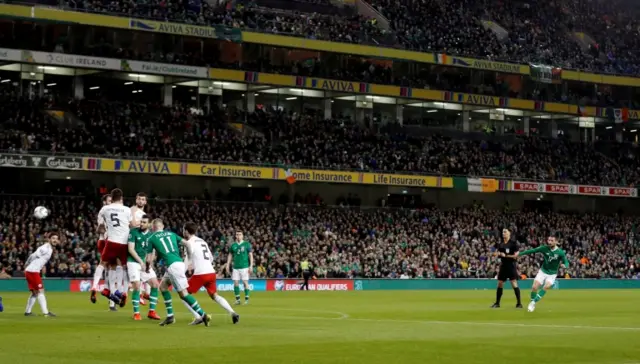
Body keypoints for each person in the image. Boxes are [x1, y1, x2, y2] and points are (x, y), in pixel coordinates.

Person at [147, 218, 211, 327]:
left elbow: (148, 259)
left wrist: (148, 267)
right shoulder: (171, 234)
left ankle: (203, 315)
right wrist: (189, 259)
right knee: (162, 287)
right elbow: (187, 244)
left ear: (153, 227)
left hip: (173, 267)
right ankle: (170, 316)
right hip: (177, 264)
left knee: (183, 294)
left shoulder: (151, 238)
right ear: (162, 226)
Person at [183, 221, 239, 325]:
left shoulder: (189, 243)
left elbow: (187, 260)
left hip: (201, 274)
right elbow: (211, 258)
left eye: (183, 230)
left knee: (184, 294)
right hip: (211, 273)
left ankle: (198, 317)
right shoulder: (203, 241)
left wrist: (182, 272)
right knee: (214, 295)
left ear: (186, 231)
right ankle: (232, 312)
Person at [92, 188, 132, 307]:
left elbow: (98, 228)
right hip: (113, 240)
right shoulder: (126, 209)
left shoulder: (104, 210)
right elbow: (131, 224)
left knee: (109, 265)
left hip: (107, 240)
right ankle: (117, 291)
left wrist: (105, 229)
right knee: (119, 266)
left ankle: (105, 289)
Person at [515, 235, 570, 312]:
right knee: (534, 287)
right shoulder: (544, 248)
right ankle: (532, 301)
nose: (549, 242)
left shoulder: (560, 252)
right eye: (549, 240)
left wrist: (565, 265)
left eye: (552, 241)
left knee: (546, 286)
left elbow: (566, 262)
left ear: (556, 242)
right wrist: (520, 254)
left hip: (552, 274)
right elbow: (532, 250)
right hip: (543, 271)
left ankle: (533, 302)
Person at [127, 214, 161, 321]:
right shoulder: (133, 232)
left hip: (144, 264)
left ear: (149, 224)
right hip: (133, 262)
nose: (141, 224)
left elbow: (153, 252)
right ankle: (136, 313)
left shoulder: (152, 235)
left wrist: (148, 263)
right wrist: (141, 262)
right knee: (137, 286)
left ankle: (152, 312)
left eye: (144, 222)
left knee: (155, 284)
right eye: (141, 221)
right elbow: (131, 249)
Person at [24, 232, 58, 317]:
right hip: (32, 271)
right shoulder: (45, 247)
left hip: (32, 271)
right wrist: (27, 263)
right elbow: (33, 255)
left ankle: (27, 312)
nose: (55, 240)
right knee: (40, 291)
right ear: (49, 239)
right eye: (53, 238)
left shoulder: (50, 248)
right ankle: (46, 313)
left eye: (56, 238)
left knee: (35, 293)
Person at [96, 194, 118, 312]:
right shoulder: (103, 212)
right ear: (104, 202)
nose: (111, 203)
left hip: (110, 241)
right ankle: (111, 300)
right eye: (109, 201)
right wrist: (105, 230)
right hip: (105, 242)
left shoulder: (110, 212)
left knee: (111, 270)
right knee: (111, 269)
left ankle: (110, 298)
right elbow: (99, 229)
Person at [491, 228, 522, 308]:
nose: (503, 233)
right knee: (500, 283)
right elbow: (493, 253)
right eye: (502, 232)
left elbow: (516, 256)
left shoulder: (514, 243)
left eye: (505, 232)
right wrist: (498, 253)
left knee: (514, 283)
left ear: (509, 233)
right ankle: (497, 303)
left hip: (511, 265)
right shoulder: (500, 243)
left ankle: (519, 303)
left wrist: (506, 255)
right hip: (503, 265)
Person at [130, 192, 149, 304]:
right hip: (131, 239)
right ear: (136, 200)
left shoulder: (143, 213)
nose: (141, 201)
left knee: (143, 267)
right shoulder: (132, 209)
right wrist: (144, 224)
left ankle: (142, 292)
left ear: (145, 202)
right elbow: (132, 224)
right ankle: (139, 292)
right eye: (139, 199)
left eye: (143, 199)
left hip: (140, 241)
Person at [225, 230, 253, 305]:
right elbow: (230, 255)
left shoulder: (247, 244)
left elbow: (250, 255)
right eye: (237, 234)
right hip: (235, 267)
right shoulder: (233, 245)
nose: (238, 236)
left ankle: (246, 299)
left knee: (245, 282)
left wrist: (251, 266)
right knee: (236, 283)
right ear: (235, 236)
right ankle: (238, 300)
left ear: (242, 235)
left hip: (244, 267)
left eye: (240, 234)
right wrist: (228, 264)